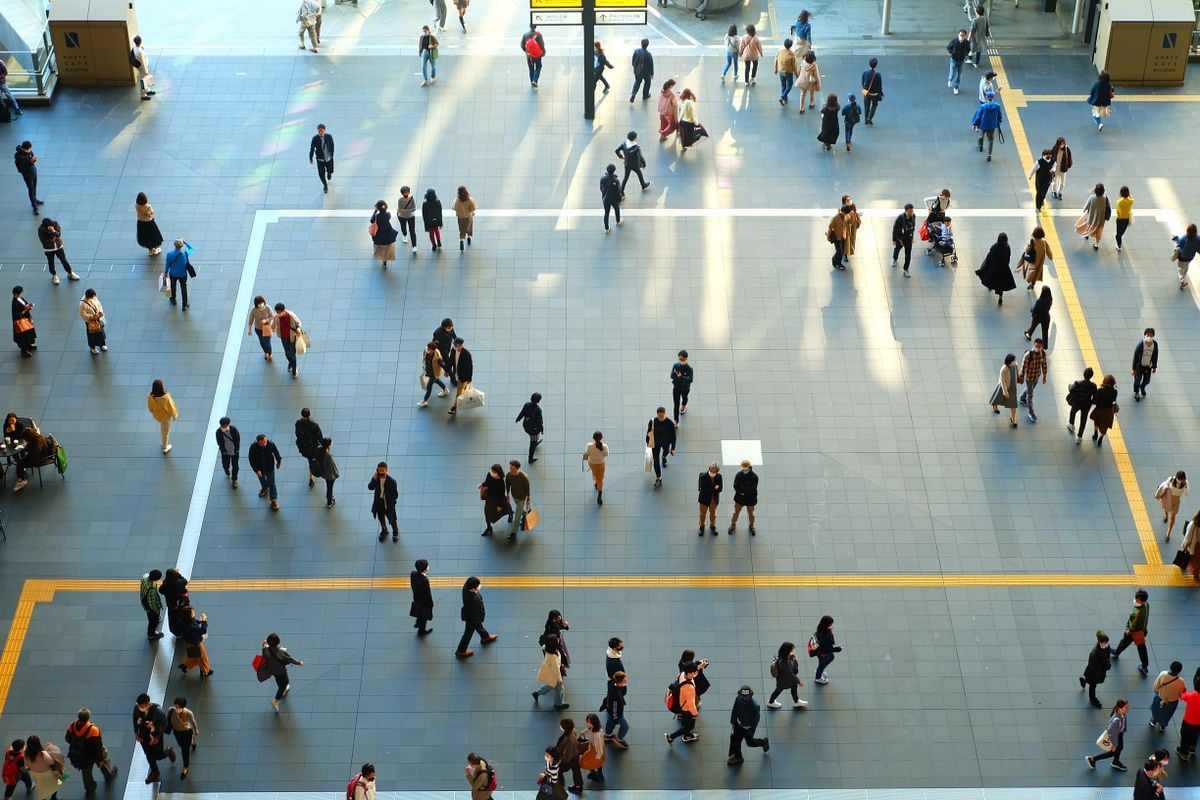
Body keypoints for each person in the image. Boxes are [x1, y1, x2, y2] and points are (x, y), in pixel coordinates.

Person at [64, 708, 117, 792]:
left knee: (86, 771)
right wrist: (100, 759)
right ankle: (108, 775)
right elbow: (97, 746)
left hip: (82, 756)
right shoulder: (93, 729)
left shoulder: (72, 725)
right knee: (104, 762)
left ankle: (89, 787)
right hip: (93, 754)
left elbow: (67, 738)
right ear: (88, 718)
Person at [132, 695, 174, 783]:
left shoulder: (157, 710)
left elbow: (164, 723)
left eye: (142, 706)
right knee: (148, 754)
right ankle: (154, 771)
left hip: (155, 736)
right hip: (143, 735)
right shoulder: (136, 708)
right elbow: (135, 720)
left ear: (148, 703)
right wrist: (136, 733)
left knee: (159, 755)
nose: (140, 708)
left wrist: (158, 737)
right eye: (139, 706)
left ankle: (168, 751)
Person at [456, 576, 497, 658]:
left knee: (479, 627)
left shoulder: (466, 587)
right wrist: (477, 620)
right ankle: (461, 650)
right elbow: (473, 614)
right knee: (468, 633)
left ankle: (485, 637)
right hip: (472, 618)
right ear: (473, 589)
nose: (479, 586)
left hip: (472, 615)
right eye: (478, 585)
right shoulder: (472, 600)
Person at [1111, 589, 1151, 675]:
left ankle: (1116, 652)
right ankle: (1144, 666)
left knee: (1125, 642)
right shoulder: (1147, 605)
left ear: (1143, 601)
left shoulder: (1138, 612)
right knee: (1141, 648)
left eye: (1138, 600)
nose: (1135, 601)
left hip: (1135, 632)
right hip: (1142, 631)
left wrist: (1128, 631)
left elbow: (1133, 624)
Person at [262, 632, 304, 711]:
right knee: (283, 684)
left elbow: (265, 653)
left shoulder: (266, 649)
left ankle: (285, 687)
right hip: (280, 670)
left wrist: (264, 645)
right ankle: (276, 700)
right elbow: (290, 659)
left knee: (280, 680)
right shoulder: (281, 652)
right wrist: (299, 663)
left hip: (271, 670)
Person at [727, 686, 768, 765]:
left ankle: (763, 742)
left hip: (748, 728)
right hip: (738, 725)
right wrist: (733, 722)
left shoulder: (755, 706)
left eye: (746, 697)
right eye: (743, 697)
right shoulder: (738, 699)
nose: (744, 699)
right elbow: (735, 710)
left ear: (751, 695)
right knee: (736, 741)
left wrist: (750, 729)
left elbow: (756, 720)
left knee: (750, 743)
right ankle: (738, 757)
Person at [1087, 698, 1129, 771]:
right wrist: (1114, 745)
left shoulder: (1122, 714)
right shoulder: (1116, 720)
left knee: (1120, 748)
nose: (1128, 709)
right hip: (1116, 736)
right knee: (1113, 752)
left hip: (1119, 734)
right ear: (1120, 709)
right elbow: (1111, 733)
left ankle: (1115, 761)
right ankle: (1093, 759)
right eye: (1126, 707)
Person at [665, 662, 701, 744]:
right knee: (690, 725)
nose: (696, 674)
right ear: (690, 673)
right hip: (686, 709)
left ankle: (687, 735)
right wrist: (695, 714)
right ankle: (671, 737)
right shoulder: (689, 688)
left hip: (680, 705)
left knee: (685, 721)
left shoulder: (681, 674)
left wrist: (699, 666)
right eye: (694, 672)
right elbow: (691, 704)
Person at [37, 218, 79, 286]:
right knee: (51, 262)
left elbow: (58, 234)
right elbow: (43, 241)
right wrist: (52, 240)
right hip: (49, 249)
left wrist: (53, 231)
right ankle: (54, 275)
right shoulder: (41, 229)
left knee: (64, 260)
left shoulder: (55, 224)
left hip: (58, 246)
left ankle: (70, 273)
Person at [248, 434, 283, 512]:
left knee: (272, 483)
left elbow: (276, 453)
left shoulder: (271, 444)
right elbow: (251, 459)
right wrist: (256, 470)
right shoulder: (253, 447)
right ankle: (264, 487)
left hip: (269, 467)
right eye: (262, 443)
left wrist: (278, 462)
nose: (264, 444)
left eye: (265, 442)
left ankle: (273, 500)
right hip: (259, 468)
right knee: (262, 479)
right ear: (257, 442)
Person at [532, 635, 568, 709]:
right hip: (554, 675)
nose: (558, 639)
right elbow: (556, 670)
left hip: (550, 673)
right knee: (560, 689)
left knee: (550, 685)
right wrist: (559, 679)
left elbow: (543, 646)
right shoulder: (553, 657)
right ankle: (558, 704)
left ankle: (537, 693)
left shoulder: (547, 649)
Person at [767, 642, 807, 708]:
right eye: (792, 649)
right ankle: (771, 702)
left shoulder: (783, 657)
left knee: (793, 687)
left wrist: (794, 660)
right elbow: (792, 673)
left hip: (784, 679)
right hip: (784, 680)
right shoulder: (784, 663)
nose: (794, 650)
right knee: (778, 690)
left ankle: (796, 701)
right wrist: (798, 681)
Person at [1151, 661, 1187, 733]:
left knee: (1156, 710)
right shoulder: (1181, 681)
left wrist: (1156, 690)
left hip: (1160, 698)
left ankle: (1154, 721)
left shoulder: (1163, 675)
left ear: (1170, 667)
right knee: (1167, 714)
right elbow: (1182, 693)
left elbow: (1156, 686)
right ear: (1179, 671)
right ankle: (1162, 726)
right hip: (1172, 702)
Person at [1017, 339, 1047, 423]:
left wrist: (1044, 376)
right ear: (1034, 344)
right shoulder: (1028, 355)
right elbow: (1023, 368)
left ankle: (1022, 398)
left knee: (1030, 389)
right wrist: (1021, 378)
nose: (1037, 348)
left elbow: (1044, 365)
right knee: (1030, 395)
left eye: (1039, 346)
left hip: (1037, 376)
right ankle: (1031, 413)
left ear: (1042, 346)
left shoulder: (1043, 353)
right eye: (1036, 346)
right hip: (1029, 377)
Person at [146, 379, 179, 455]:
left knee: (162, 428)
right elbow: (171, 407)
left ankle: (164, 443)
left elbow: (150, 408)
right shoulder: (165, 398)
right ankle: (165, 447)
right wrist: (174, 415)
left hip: (157, 416)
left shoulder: (150, 397)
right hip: (165, 418)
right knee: (165, 432)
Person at [177, 606, 213, 676]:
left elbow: (195, 621)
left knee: (194, 656)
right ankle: (205, 670)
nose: (194, 613)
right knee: (202, 658)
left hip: (190, 643)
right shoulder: (191, 627)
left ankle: (185, 665)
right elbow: (203, 630)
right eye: (192, 612)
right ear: (188, 615)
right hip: (196, 644)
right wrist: (204, 621)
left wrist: (200, 621)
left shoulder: (186, 622)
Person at [1079, 631, 1111, 709]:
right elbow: (1092, 666)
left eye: (1107, 642)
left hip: (1098, 672)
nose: (1106, 644)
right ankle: (1092, 698)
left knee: (1092, 682)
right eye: (1104, 643)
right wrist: (1106, 665)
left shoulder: (1106, 648)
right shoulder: (1094, 654)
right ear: (1100, 642)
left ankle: (1084, 680)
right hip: (1093, 673)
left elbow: (1107, 658)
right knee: (1093, 685)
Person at [646, 407, 676, 488]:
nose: (660, 418)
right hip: (655, 444)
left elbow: (673, 436)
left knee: (666, 452)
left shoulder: (670, 423)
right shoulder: (653, 422)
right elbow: (648, 432)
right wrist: (648, 443)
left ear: (664, 414)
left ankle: (664, 457)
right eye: (659, 416)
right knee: (656, 460)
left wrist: (673, 448)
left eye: (662, 416)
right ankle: (659, 477)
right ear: (657, 414)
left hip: (666, 443)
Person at [369, 462, 399, 542]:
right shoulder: (376, 479)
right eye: (379, 470)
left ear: (386, 470)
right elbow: (370, 487)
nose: (381, 472)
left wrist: (392, 503)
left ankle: (395, 532)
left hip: (388, 503)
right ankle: (384, 530)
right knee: (381, 517)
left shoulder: (392, 481)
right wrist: (373, 479)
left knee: (392, 518)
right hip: (379, 502)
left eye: (382, 470)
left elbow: (395, 495)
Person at [1075, 183, 1110, 251]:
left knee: (1087, 226)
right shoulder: (1106, 198)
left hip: (1091, 217)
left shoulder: (1092, 197)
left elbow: (1085, 208)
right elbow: (1109, 208)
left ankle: (1086, 235)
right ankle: (1096, 244)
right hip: (1100, 220)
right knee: (1099, 232)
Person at [272, 302, 303, 378]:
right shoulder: (276, 317)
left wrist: (298, 329)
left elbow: (298, 323)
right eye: (277, 312)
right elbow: (272, 327)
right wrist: (274, 320)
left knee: (292, 354)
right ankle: (291, 363)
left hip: (292, 337)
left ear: (283, 310)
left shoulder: (291, 315)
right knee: (287, 353)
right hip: (283, 337)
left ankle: (294, 369)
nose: (278, 314)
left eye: (279, 312)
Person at [1065, 367, 1097, 444]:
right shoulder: (1093, 386)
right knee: (1083, 420)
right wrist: (1090, 402)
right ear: (1091, 376)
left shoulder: (1077, 383)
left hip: (1077, 402)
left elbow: (1071, 390)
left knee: (1073, 412)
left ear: (1084, 374)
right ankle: (1079, 437)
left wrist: (1069, 386)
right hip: (1086, 404)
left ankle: (1071, 425)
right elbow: (1095, 398)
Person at [988, 353, 1019, 428]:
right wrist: (1005, 391)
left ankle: (1013, 418)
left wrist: (1019, 379)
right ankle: (995, 405)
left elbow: (1017, 372)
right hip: (1003, 387)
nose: (1015, 361)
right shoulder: (1004, 369)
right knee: (998, 398)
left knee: (1013, 404)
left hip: (1012, 387)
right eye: (1014, 360)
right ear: (1009, 361)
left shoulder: (1015, 365)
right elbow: (1003, 381)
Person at [294, 408, 324, 488]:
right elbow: (320, 437)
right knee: (314, 459)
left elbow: (297, 434)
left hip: (304, 447)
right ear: (309, 414)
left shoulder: (298, 423)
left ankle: (311, 477)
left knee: (310, 460)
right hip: (313, 447)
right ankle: (314, 474)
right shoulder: (314, 425)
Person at [1156, 471, 1188, 541]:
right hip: (1168, 497)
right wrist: (1164, 489)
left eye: (1181, 479)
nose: (1179, 481)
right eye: (1178, 479)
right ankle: (1166, 515)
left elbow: (1186, 494)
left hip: (1176, 500)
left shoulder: (1185, 483)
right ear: (1176, 477)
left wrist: (1185, 487)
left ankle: (1168, 533)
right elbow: (1165, 485)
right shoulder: (1171, 479)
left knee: (1173, 516)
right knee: (1165, 508)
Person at [478, 463, 509, 538]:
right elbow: (487, 482)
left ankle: (510, 513)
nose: (492, 472)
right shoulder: (489, 474)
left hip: (496, 500)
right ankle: (489, 528)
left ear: (498, 472)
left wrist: (499, 505)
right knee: (487, 513)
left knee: (496, 512)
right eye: (491, 470)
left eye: (494, 471)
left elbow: (502, 494)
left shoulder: (501, 482)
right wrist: (482, 484)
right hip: (489, 498)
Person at [210, 416, 242, 488]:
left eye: (225, 425)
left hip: (234, 451)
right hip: (225, 452)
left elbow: (237, 439)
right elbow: (219, 442)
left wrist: (237, 449)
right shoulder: (218, 432)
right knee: (225, 464)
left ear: (228, 424)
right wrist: (223, 450)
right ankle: (226, 469)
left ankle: (234, 480)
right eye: (222, 425)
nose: (224, 426)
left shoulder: (233, 429)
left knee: (235, 466)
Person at [729, 460, 758, 535]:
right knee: (736, 512)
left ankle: (751, 525)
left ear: (749, 468)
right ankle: (733, 524)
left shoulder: (754, 477)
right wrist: (745, 489)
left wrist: (742, 490)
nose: (743, 470)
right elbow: (735, 486)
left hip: (749, 499)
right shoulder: (739, 475)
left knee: (751, 513)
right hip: (740, 498)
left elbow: (752, 489)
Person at [971, 91, 1002, 161]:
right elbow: (999, 116)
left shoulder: (983, 107)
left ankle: (980, 145)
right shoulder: (997, 106)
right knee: (991, 140)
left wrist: (974, 124)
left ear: (986, 98)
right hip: (992, 125)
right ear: (993, 97)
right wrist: (999, 122)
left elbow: (978, 116)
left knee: (981, 136)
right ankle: (989, 155)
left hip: (983, 125)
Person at [163, 238, 193, 309]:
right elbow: (191, 249)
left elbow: (167, 264)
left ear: (174, 245)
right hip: (183, 274)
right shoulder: (185, 254)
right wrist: (185, 241)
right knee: (183, 289)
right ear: (182, 246)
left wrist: (166, 272)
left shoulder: (169, 254)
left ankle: (173, 299)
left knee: (173, 286)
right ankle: (184, 305)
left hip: (173, 274)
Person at [159, 568, 190, 636]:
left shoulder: (165, 585)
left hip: (171, 605)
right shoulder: (179, 583)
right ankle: (185, 631)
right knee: (184, 616)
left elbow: (160, 590)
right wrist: (178, 574)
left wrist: (166, 580)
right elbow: (185, 581)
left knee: (173, 619)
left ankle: (177, 633)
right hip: (182, 603)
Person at [1089, 374, 1119, 446]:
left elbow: (1096, 401)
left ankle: (1095, 433)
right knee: (1105, 426)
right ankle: (1101, 438)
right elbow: (1113, 400)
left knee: (1096, 421)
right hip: (1108, 411)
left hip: (1099, 410)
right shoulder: (1115, 392)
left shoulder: (1100, 390)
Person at [505, 460, 531, 541]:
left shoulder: (524, 477)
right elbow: (507, 484)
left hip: (522, 498)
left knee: (517, 516)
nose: (510, 469)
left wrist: (528, 498)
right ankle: (522, 513)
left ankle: (513, 533)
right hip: (514, 496)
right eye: (510, 467)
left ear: (517, 468)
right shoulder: (509, 475)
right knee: (520, 510)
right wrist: (508, 494)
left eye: (512, 468)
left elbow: (527, 488)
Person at [13, 142, 42, 214]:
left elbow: (31, 157)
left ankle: (35, 200)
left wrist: (33, 160)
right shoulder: (18, 156)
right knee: (31, 189)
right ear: (24, 148)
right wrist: (30, 162)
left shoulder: (29, 151)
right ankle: (34, 206)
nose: (30, 150)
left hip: (33, 172)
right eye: (29, 149)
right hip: (27, 175)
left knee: (34, 187)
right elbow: (21, 169)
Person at [1131, 328, 1158, 401]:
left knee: (1147, 380)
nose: (1149, 337)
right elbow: (1135, 357)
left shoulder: (1155, 345)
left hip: (1148, 366)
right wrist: (1133, 369)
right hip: (1139, 366)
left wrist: (1154, 367)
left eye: (1151, 335)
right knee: (1137, 380)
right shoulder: (1140, 345)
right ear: (1144, 335)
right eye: (1147, 335)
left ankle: (1142, 387)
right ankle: (1136, 392)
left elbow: (1155, 356)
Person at [1019, 227, 1050, 291]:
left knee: (1030, 273)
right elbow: (1048, 250)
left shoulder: (1033, 240)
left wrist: (1026, 248)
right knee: (1037, 273)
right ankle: (1033, 284)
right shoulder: (1044, 241)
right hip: (1040, 261)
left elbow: (1029, 249)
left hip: (1033, 260)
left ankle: (1030, 282)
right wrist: (1050, 256)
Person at [813, 615, 841, 684]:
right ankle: (818, 678)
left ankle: (821, 670)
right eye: (831, 624)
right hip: (823, 653)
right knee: (821, 665)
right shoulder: (825, 636)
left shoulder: (822, 629)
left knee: (831, 657)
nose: (833, 625)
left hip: (822, 651)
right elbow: (826, 649)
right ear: (827, 625)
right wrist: (837, 649)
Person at [604, 670, 629, 747]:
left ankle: (608, 735)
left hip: (612, 709)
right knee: (625, 726)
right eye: (624, 680)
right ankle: (619, 739)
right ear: (619, 682)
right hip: (617, 712)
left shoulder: (612, 684)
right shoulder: (615, 696)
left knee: (611, 720)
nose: (626, 680)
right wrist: (616, 718)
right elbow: (614, 707)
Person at [78, 288, 106, 355]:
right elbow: (83, 315)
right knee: (91, 334)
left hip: (97, 318)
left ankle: (102, 344)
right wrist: (92, 316)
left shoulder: (94, 297)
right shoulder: (82, 304)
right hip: (90, 321)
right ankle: (92, 348)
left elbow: (99, 305)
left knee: (101, 331)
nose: (94, 297)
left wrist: (100, 312)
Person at [419, 341, 448, 408]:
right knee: (436, 380)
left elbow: (442, 364)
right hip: (428, 371)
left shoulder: (438, 357)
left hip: (434, 373)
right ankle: (445, 389)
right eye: (427, 348)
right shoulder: (426, 350)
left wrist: (447, 371)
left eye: (429, 349)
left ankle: (425, 400)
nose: (427, 350)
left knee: (429, 387)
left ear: (433, 350)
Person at [697, 463, 723, 537]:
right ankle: (702, 526)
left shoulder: (719, 477)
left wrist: (711, 490)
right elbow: (703, 490)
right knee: (702, 514)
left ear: (717, 471)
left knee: (713, 514)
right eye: (711, 470)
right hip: (704, 499)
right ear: (709, 468)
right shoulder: (703, 476)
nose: (712, 472)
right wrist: (714, 488)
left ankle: (712, 526)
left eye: (714, 471)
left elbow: (720, 489)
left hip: (713, 500)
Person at [370, 200, 398, 268]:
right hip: (387, 233)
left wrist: (375, 211)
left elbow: (371, 220)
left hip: (379, 233)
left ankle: (377, 254)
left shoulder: (377, 216)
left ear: (378, 208)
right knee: (386, 246)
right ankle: (385, 260)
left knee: (377, 244)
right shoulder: (388, 214)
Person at [448, 337, 473, 414]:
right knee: (464, 389)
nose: (455, 347)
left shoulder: (466, 354)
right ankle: (467, 393)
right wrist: (447, 370)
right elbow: (451, 361)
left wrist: (469, 379)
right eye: (455, 345)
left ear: (461, 345)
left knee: (458, 392)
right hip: (456, 374)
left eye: (457, 345)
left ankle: (454, 408)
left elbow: (470, 367)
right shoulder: (453, 350)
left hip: (462, 377)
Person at [247, 296, 275, 362]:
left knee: (267, 342)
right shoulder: (254, 310)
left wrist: (266, 320)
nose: (260, 305)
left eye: (262, 303)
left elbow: (272, 316)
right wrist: (249, 330)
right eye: (259, 304)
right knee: (262, 341)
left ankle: (270, 353)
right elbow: (250, 320)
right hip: (258, 329)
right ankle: (265, 352)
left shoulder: (268, 308)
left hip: (267, 327)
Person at [410, 559, 434, 636]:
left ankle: (418, 623)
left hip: (416, 598)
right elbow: (427, 593)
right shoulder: (425, 580)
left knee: (419, 613)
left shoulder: (413, 574)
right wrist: (431, 603)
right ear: (425, 569)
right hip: (424, 602)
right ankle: (421, 630)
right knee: (424, 616)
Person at [579, 714, 606, 783]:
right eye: (587, 721)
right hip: (596, 748)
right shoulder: (598, 728)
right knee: (599, 763)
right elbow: (589, 729)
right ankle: (599, 774)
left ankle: (595, 774)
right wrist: (585, 731)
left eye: (589, 722)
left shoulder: (596, 735)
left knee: (586, 761)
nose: (587, 723)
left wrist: (598, 756)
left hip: (595, 751)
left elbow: (599, 748)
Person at [669, 350, 694, 423]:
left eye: (682, 359)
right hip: (676, 388)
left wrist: (681, 377)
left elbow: (690, 379)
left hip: (685, 389)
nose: (681, 361)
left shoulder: (689, 369)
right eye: (680, 359)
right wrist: (678, 377)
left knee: (685, 398)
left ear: (686, 358)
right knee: (676, 404)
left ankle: (683, 406)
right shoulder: (676, 365)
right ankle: (676, 420)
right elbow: (672, 375)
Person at [1172, 223, 1199, 289]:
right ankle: (1185, 273)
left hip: (1182, 256)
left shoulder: (1185, 237)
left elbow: (1179, 243)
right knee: (1186, 265)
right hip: (1190, 257)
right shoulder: (1198, 238)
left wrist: (1176, 238)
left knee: (1180, 267)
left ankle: (1183, 281)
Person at [308, 124, 334, 193]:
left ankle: (329, 173)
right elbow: (312, 148)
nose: (320, 132)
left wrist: (332, 154)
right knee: (321, 174)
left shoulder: (329, 137)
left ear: (325, 130)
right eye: (319, 131)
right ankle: (325, 185)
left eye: (321, 131)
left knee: (330, 170)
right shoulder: (315, 139)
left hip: (329, 158)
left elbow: (332, 145)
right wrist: (311, 157)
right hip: (320, 160)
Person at [140, 569, 165, 640]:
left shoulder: (145, 577)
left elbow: (145, 575)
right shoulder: (152, 590)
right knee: (153, 621)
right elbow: (152, 603)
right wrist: (156, 611)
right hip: (150, 608)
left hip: (144, 600)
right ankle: (151, 634)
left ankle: (156, 619)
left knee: (153, 618)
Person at [1177, 684, 1200, 761]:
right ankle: (1192, 748)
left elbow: (1182, 696)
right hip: (1198, 723)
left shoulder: (1192, 695)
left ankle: (1183, 753)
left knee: (1185, 737)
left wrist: (1183, 691)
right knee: (1195, 735)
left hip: (1188, 722)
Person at [315, 438, 338, 508]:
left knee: (328, 486)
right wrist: (336, 474)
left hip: (324, 473)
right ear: (328, 445)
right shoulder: (328, 456)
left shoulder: (319, 451)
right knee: (330, 487)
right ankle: (329, 502)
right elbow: (332, 467)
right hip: (330, 475)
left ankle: (329, 497)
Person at [827, 204, 850, 270]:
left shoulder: (845, 216)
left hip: (843, 236)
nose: (846, 215)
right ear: (842, 212)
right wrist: (828, 236)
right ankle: (836, 262)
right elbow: (830, 228)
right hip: (837, 237)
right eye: (845, 213)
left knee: (841, 251)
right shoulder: (835, 218)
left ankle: (837, 262)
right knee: (839, 251)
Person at [130, 36, 154, 101]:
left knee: (145, 80)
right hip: (143, 68)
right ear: (140, 41)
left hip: (141, 67)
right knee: (143, 81)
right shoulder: (140, 51)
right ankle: (143, 95)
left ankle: (147, 90)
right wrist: (146, 71)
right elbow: (143, 62)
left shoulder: (135, 48)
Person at [774, 40, 797, 106]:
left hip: (780, 70)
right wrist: (796, 73)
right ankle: (783, 96)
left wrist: (775, 69)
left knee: (783, 84)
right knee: (789, 84)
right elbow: (794, 66)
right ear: (791, 46)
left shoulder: (779, 51)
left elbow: (775, 60)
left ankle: (784, 99)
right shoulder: (792, 54)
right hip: (788, 72)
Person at [600, 165, 622, 234]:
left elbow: (601, 188)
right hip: (614, 199)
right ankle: (618, 221)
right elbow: (618, 191)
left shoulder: (603, 179)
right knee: (617, 209)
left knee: (606, 213)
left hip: (606, 199)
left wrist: (603, 194)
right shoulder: (616, 181)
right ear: (614, 171)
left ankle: (607, 228)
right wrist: (620, 199)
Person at [453, 186, 476, 250]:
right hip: (468, 217)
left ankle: (461, 241)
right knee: (469, 227)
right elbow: (473, 208)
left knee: (462, 229)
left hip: (460, 217)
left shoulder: (457, 200)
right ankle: (469, 237)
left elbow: (454, 208)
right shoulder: (469, 199)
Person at [946, 29, 969, 94]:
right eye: (960, 35)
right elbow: (948, 47)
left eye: (963, 36)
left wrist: (966, 54)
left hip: (961, 60)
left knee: (959, 75)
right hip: (954, 60)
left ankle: (956, 87)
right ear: (958, 35)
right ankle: (950, 79)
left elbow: (968, 49)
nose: (961, 37)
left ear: (965, 36)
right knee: (952, 72)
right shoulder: (954, 41)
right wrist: (952, 52)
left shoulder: (966, 42)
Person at [421, 188, 444, 252]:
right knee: (436, 230)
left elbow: (424, 214)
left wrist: (425, 223)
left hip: (429, 221)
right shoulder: (438, 201)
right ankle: (439, 241)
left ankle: (434, 245)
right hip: (436, 220)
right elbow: (440, 212)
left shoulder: (425, 203)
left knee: (431, 233)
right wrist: (440, 221)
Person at [397, 186, 418, 255]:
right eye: (404, 192)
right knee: (403, 227)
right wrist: (408, 210)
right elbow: (400, 210)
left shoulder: (411, 199)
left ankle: (414, 246)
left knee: (412, 231)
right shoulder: (400, 200)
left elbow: (414, 208)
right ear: (402, 193)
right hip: (402, 217)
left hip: (411, 216)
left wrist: (405, 210)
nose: (406, 194)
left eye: (407, 192)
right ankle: (405, 235)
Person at [861, 57, 883, 124]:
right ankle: (870, 118)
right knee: (874, 104)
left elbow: (863, 82)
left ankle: (865, 118)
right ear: (876, 65)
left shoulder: (865, 73)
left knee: (866, 105)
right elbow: (879, 85)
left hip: (867, 93)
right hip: (874, 94)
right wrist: (880, 93)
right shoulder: (878, 75)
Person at [1114, 186, 1134, 252]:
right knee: (1122, 231)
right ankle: (1119, 238)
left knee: (1118, 234)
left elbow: (1118, 211)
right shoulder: (1131, 201)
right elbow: (1131, 198)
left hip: (1120, 219)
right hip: (1127, 219)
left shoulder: (1119, 202)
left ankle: (1119, 245)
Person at [1183, 511, 1200, 581]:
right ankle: (1195, 574)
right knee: (1195, 561)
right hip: (1195, 546)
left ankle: (1196, 574)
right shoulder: (1193, 524)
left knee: (1196, 561)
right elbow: (1188, 536)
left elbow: (1188, 536)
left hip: (1195, 546)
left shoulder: (1193, 524)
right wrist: (1186, 545)